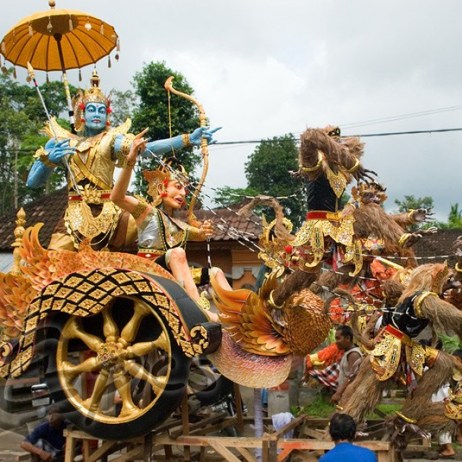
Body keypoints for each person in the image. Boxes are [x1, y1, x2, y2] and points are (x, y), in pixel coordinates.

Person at [26, 70, 219, 252]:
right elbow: (32, 183)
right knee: (51, 262)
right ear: (82, 114)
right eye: (91, 109)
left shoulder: (111, 140)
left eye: (101, 111)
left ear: (107, 116)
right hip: (74, 214)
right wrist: (48, 161)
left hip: (110, 213)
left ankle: (179, 246)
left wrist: (186, 139)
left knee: (153, 218)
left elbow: (146, 148)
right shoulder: (60, 142)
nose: (96, 114)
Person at [110, 133, 227, 311]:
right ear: (161, 188)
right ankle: (197, 311)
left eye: (186, 190)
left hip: (173, 274)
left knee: (216, 272)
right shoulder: (147, 212)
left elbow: (200, 235)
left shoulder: (181, 225)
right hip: (148, 271)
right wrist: (130, 161)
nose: (183, 194)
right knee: (177, 253)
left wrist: (204, 231)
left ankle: (240, 316)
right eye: (178, 187)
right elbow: (117, 197)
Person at [330, 325, 363, 404]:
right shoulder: (347, 353)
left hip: (350, 398)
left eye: (338, 338)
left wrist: (338, 393)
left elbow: (352, 377)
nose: (336, 342)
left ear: (348, 338)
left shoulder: (353, 354)